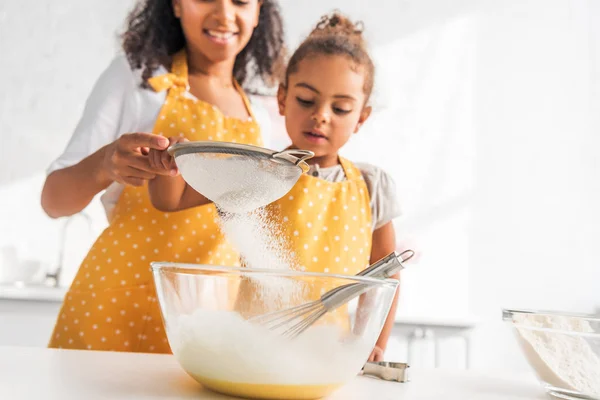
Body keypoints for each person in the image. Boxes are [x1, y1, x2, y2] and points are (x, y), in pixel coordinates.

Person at [148, 12, 402, 362]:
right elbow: (169, 199)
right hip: (253, 350)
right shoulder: (256, 172)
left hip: (328, 355)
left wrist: (374, 342)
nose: (321, 116)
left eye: (341, 108)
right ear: (282, 99)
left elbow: (386, 274)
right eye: (305, 100)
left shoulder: (372, 186)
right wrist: (171, 161)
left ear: (361, 117)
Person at [42, 0, 286, 353]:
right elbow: (53, 201)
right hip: (112, 313)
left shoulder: (262, 114)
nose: (224, 14)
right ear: (175, 4)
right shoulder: (138, 79)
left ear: (259, 10)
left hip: (203, 330)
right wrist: (104, 163)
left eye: (241, 1)